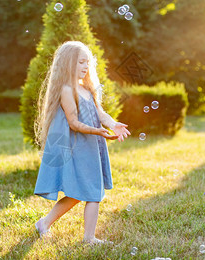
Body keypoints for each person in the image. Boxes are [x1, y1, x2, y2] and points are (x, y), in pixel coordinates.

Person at [33, 41, 131, 245]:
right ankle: (89, 238)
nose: (86, 66)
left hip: (91, 146)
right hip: (78, 147)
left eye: (88, 62)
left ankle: (44, 223)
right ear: (69, 63)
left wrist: (113, 124)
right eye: (81, 62)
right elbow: (74, 122)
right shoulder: (67, 90)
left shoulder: (87, 88)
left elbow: (99, 113)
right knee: (90, 191)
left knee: (84, 192)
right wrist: (98, 131)